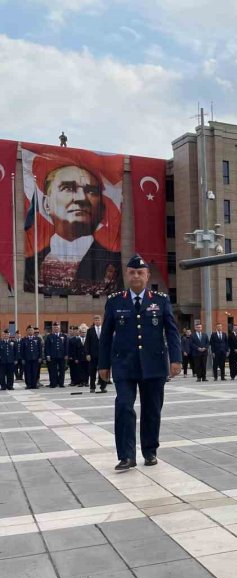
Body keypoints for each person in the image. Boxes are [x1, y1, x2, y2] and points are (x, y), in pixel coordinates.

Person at [98, 255, 181, 470]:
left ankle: (150, 451)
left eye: (140, 272)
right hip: (124, 365)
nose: (136, 276)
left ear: (147, 276)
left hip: (154, 365)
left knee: (152, 409)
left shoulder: (160, 300)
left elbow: (172, 332)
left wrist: (176, 359)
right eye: (132, 272)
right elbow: (106, 336)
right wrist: (103, 365)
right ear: (127, 274)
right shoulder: (115, 301)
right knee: (124, 406)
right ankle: (126, 456)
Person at [25, 164, 122, 295]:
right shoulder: (31, 265)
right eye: (68, 188)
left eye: (91, 191)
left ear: (101, 209)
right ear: (46, 204)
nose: (82, 198)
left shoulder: (113, 264)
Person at [85, 314, 107, 392]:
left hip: (103, 354)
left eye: (98, 320)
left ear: (101, 321)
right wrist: (87, 354)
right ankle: (92, 387)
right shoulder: (90, 330)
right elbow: (87, 343)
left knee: (103, 371)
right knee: (92, 371)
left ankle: (103, 387)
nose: (97, 321)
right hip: (93, 354)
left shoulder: (105, 329)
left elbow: (108, 342)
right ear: (94, 321)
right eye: (96, 320)